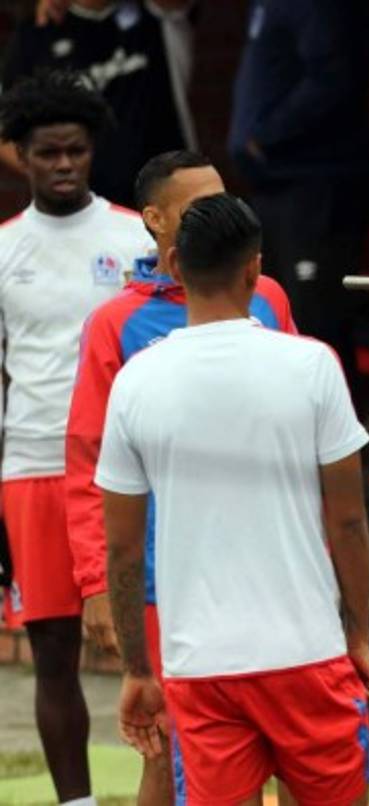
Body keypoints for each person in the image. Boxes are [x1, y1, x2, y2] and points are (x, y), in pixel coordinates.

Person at [96, 192, 369, 803]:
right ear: (255, 269)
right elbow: (349, 522)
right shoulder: (313, 366)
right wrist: (357, 635)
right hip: (308, 653)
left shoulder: (135, 381)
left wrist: (138, 669)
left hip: (199, 665)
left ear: (174, 265)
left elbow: (120, 550)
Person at [64, 149, 296, 805]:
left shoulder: (268, 297)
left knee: (288, 750)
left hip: (269, 568)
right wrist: (97, 583)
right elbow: (88, 461)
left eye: (223, 198)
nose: (218, 213)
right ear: (155, 220)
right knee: (169, 748)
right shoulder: (116, 323)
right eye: (198, 205)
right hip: (166, 578)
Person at [0, 69, 150, 806]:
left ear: (93, 150)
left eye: (76, 151)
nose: (63, 165)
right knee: (53, 652)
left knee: (154, 639)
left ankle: (177, 787)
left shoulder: (135, 237)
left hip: (127, 466)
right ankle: (76, 802)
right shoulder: (4, 250)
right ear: (19, 156)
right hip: (32, 466)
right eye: (48, 153)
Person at [228, 0, 369, 382]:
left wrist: (267, 135)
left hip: (316, 184)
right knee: (275, 317)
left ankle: (340, 416)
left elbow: (333, 79)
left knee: (316, 322)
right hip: (274, 184)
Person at [1, 0, 196, 207]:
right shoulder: (36, 33)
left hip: (170, 202)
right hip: (84, 213)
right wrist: (52, 170)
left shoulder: (158, 15)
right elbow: (4, 132)